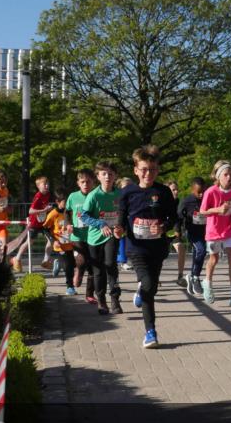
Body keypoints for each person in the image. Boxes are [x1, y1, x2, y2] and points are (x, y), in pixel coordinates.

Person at [115, 145, 177, 349]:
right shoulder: (127, 192)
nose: (147, 173)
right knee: (149, 285)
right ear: (135, 170)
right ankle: (150, 332)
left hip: (157, 248)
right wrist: (119, 228)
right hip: (136, 247)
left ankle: (143, 290)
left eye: (152, 169)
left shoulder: (163, 191)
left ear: (157, 170)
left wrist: (164, 226)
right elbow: (122, 217)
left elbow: (173, 217)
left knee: (152, 287)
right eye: (143, 169)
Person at [80, 161, 123, 315]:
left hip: (112, 235)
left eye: (111, 174)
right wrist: (100, 224)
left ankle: (115, 298)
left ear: (115, 176)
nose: (107, 177)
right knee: (98, 271)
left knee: (110, 264)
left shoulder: (120, 194)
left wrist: (120, 226)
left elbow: (124, 214)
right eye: (104, 174)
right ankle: (101, 301)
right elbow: (83, 216)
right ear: (98, 176)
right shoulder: (94, 195)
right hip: (94, 238)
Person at [200, 160, 231, 308]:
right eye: (226, 174)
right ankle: (207, 284)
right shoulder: (211, 191)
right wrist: (217, 210)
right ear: (219, 176)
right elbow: (203, 211)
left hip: (229, 229)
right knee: (214, 259)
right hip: (214, 231)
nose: (229, 177)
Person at [7, 176, 54, 272]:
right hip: (35, 223)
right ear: (38, 186)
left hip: (44, 222)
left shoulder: (49, 194)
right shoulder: (38, 196)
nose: (46, 185)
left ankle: (45, 260)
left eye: (47, 183)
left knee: (51, 239)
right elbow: (31, 211)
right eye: (44, 184)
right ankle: (17, 258)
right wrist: (44, 210)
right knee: (30, 242)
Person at [66, 169, 97, 305]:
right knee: (83, 261)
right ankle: (78, 269)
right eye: (83, 182)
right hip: (77, 236)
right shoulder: (73, 196)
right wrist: (68, 224)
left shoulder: (97, 195)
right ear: (78, 183)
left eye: (88, 182)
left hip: (93, 235)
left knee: (93, 266)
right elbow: (67, 212)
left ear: (93, 182)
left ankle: (90, 295)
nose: (85, 184)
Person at [178, 177, 208, 297]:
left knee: (199, 253)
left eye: (203, 192)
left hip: (204, 231)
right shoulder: (186, 201)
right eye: (198, 192)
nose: (201, 195)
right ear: (192, 190)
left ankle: (191, 277)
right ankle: (195, 277)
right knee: (201, 250)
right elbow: (179, 216)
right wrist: (177, 230)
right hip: (192, 232)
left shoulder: (207, 199)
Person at [43, 191, 77, 294]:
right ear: (57, 202)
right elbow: (45, 229)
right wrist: (53, 241)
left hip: (71, 243)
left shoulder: (70, 212)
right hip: (60, 245)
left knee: (74, 264)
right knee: (68, 266)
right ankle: (70, 287)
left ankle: (58, 263)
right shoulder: (53, 214)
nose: (67, 204)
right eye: (65, 202)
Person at [166, 179, 188, 289]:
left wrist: (179, 229)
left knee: (181, 248)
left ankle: (180, 276)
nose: (175, 192)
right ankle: (154, 277)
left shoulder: (180, 202)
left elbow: (181, 218)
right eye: (173, 190)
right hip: (163, 232)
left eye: (176, 190)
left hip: (175, 232)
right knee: (159, 256)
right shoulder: (162, 203)